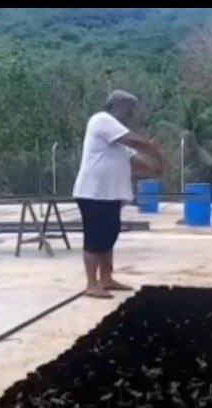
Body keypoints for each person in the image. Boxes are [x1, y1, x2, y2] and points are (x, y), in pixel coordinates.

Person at [72, 90, 163, 299]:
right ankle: (91, 283)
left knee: (109, 236)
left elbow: (135, 160)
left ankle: (106, 277)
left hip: (110, 195)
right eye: (129, 109)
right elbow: (136, 142)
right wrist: (154, 150)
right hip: (94, 193)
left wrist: (155, 168)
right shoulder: (102, 120)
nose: (131, 114)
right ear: (116, 106)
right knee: (95, 239)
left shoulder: (117, 137)